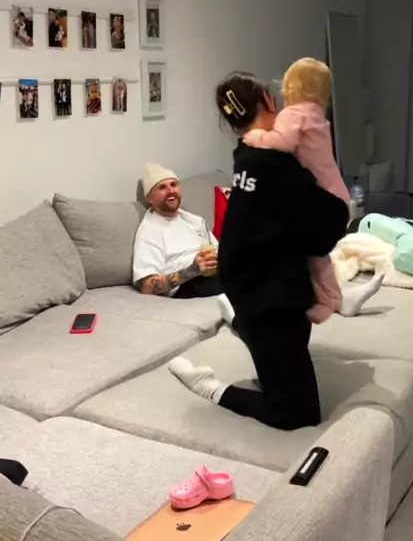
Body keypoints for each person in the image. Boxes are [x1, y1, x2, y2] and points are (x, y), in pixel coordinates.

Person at [168, 71, 348, 431]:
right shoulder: (274, 164)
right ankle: (210, 386)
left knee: (283, 366)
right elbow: (327, 225)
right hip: (267, 293)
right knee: (296, 415)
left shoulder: (247, 152)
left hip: (252, 282)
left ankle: (242, 324)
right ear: (268, 100)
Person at [244, 58, 383, 322]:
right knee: (315, 254)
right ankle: (333, 298)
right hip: (337, 196)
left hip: (324, 201)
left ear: (292, 86)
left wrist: (255, 137)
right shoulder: (316, 114)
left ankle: (327, 299)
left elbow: (282, 142)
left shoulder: (293, 114)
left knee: (309, 254)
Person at [133, 164, 231, 305]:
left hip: (212, 274)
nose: (170, 191)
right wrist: (191, 270)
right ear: (149, 198)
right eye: (162, 187)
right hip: (186, 285)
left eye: (173, 185)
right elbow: (147, 286)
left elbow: (217, 250)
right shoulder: (149, 231)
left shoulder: (194, 220)